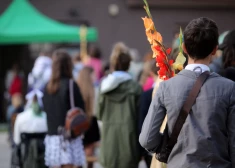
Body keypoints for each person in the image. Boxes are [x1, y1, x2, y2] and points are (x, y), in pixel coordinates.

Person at [139, 17, 235, 168]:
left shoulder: (166, 87)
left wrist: (169, 150)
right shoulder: (229, 88)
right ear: (215, 50)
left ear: (183, 47)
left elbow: (146, 139)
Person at [97, 51, 142, 168]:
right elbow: (141, 117)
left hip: (109, 140)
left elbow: (98, 113)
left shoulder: (104, 86)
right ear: (128, 65)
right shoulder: (136, 88)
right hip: (129, 140)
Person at [43, 49, 85, 168]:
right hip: (69, 136)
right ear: (68, 65)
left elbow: (45, 109)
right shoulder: (71, 85)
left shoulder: (47, 87)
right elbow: (81, 109)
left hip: (52, 137)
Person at [77, 67, 100, 168]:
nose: (95, 77)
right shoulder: (94, 91)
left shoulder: (77, 90)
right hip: (91, 123)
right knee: (90, 154)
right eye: (93, 74)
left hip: (79, 123)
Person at [139, 60, 160, 168]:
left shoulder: (146, 94)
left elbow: (142, 122)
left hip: (151, 145)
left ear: (151, 73)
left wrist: (141, 150)